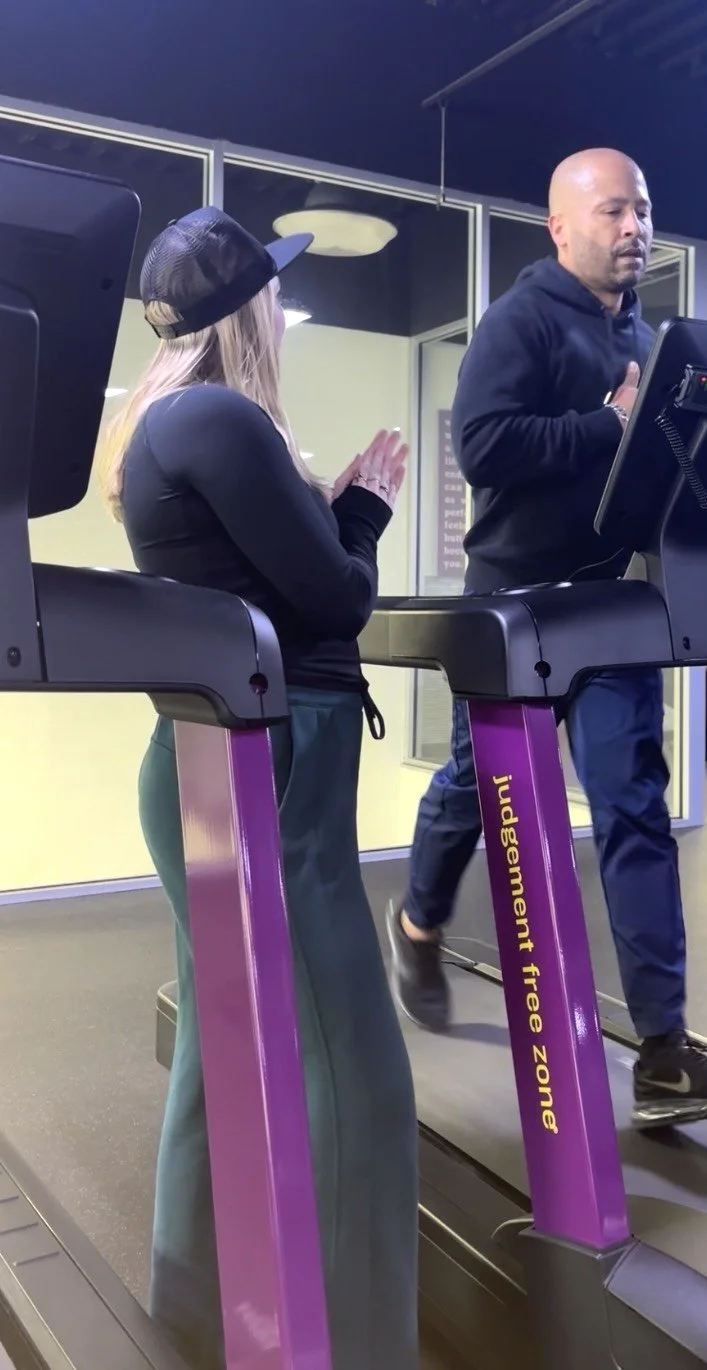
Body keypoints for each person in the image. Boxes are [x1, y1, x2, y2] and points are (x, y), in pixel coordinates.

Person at [387, 148, 707, 1129]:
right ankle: (419, 915)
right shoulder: (519, 322)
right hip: (516, 607)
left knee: (632, 807)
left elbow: (660, 491)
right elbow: (481, 447)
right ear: (560, 227)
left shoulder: (645, 334)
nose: (633, 227)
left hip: (608, 610)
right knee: (470, 786)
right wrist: (606, 425)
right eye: (612, 211)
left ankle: (663, 1050)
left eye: (642, 210)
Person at [97, 208, 418, 1370]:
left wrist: (328, 519)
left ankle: (187, 1313)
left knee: (221, 1043)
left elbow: (273, 580)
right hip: (276, 759)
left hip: (205, 751)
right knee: (352, 1069)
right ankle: (363, 1345)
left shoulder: (159, 428)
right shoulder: (224, 415)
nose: (281, 306)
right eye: (273, 292)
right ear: (248, 312)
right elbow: (332, 602)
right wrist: (368, 510)